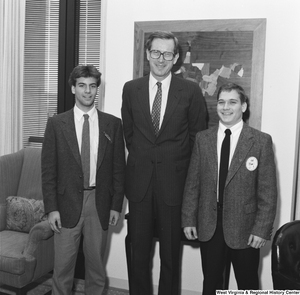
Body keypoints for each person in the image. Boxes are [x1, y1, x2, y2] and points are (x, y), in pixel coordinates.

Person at [121, 31, 207, 295]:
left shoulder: (191, 91)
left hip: (174, 187)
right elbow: (130, 134)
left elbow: (197, 140)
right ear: (147, 54)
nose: (161, 59)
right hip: (139, 187)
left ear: (176, 58)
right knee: (139, 257)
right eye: (156, 52)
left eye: (167, 53)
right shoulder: (131, 88)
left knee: (170, 258)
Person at [182, 82, 277, 294]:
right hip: (209, 225)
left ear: (243, 107)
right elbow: (192, 183)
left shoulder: (260, 142)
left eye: (232, 102)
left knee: (247, 285)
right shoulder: (203, 139)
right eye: (221, 102)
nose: (226, 107)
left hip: (245, 229)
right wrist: (188, 218)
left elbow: (268, 192)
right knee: (212, 285)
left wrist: (261, 229)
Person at [42, 64, 125, 294]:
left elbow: (119, 169)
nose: (87, 91)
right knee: (62, 269)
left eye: (92, 86)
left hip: (99, 203)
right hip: (67, 204)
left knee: (96, 268)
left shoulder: (112, 124)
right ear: (73, 89)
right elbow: (48, 172)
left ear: (97, 89)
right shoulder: (56, 124)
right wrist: (51, 208)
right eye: (82, 86)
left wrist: (116, 205)